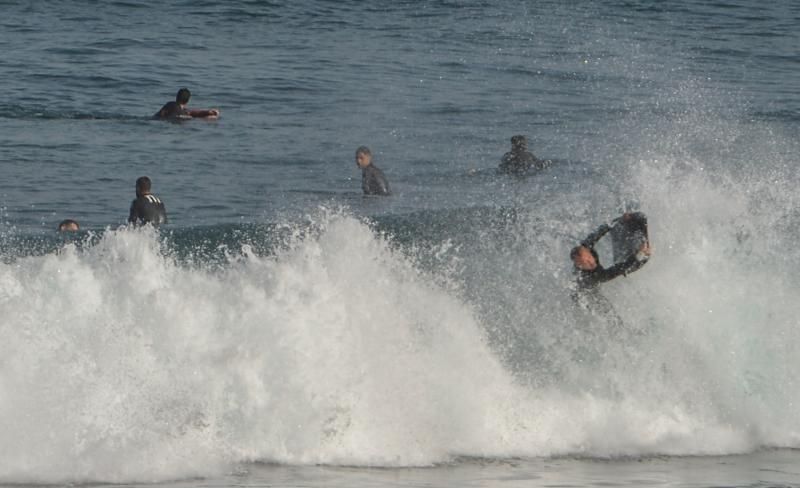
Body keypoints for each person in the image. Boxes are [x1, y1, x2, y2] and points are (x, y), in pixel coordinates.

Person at [570, 214, 651, 327]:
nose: (591, 263)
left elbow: (600, 231)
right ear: (580, 266)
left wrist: (618, 219)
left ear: (586, 251)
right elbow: (618, 270)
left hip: (584, 287)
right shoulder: (593, 275)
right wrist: (639, 255)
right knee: (609, 314)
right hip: (585, 295)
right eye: (586, 264)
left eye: (589, 258)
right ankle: (620, 329)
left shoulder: (586, 246)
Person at [153, 88, 220, 120]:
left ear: (176, 97)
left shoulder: (169, 104)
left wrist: (207, 112)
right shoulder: (183, 114)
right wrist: (211, 117)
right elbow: (190, 115)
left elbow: (190, 112)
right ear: (187, 101)